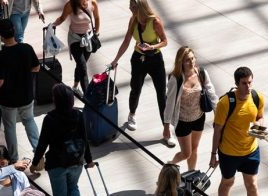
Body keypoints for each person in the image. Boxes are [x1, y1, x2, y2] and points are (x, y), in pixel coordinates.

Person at [0, 19, 40, 164]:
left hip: (9, 99)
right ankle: (38, 151)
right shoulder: (27, 48)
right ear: (14, 31)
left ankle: (14, 157)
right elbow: (36, 68)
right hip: (27, 95)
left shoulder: (0, 56)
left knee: (10, 127)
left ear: (0, 35)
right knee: (29, 121)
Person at [209, 66, 264, 196]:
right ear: (236, 83)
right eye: (244, 83)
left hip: (251, 151)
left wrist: (259, 127)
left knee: (252, 185)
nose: (248, 87)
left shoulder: (257, 97)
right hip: (229, 153)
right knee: (227, 183)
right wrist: (213, 155)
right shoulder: (226, 103)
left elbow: (260, 117)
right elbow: (217, 129)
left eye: (250, 83)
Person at [31, 83, 92, 196]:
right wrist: (89, 160)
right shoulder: (78, 115)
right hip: (76, 160)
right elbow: (85, 139)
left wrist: (35, 163)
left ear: (56, 100)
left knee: (60, 195)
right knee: (73, 188)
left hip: (57, 163)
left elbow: (43, 143)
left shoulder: (50, 118)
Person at [110, 0, 170, 143]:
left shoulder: (155, 21)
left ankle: (167, 130)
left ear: (139, 7)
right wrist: (115, 60)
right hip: (138, 58)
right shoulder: (133, 20)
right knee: (135, 88)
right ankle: (132, 114)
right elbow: (126, 41)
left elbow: (165, 41)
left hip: (155, 58)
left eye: (132, 5)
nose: (129, 8)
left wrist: (152, 47)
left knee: (161, 94)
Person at [163, 47, 218, 170]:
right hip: (182, 121)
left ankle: (191, 175)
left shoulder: (202, 73)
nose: (191, 62)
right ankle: (170, 165)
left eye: (192, 58)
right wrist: (166, 126)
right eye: (187, 60)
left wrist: (217, 113)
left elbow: (211, 93)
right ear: (181, 62)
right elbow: (170, 104)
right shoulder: (175, 79)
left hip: (198, 118)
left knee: (194, 149)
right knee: (186, 153)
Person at [52, 0, 100, 95]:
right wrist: (52, 25)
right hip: (75, 39)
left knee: (81, 65)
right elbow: (62, 18)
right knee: (83, 66)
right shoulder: (70, 4)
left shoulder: (93, 3)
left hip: (88, 39)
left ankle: (75, 86)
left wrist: (96, 33)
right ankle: (87, 97)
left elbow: (97, 18)